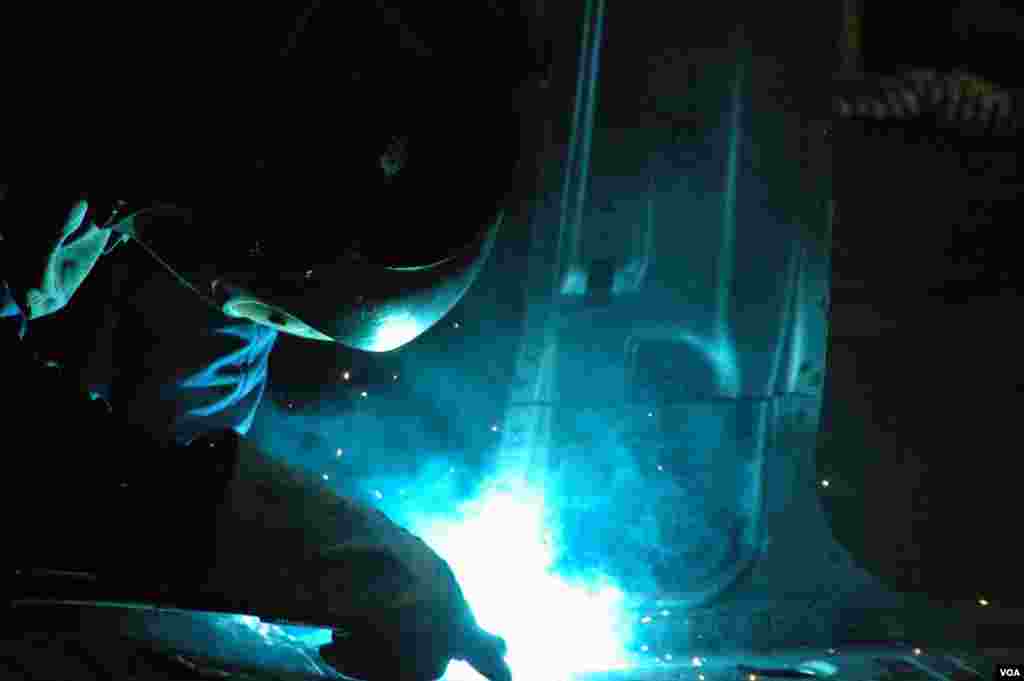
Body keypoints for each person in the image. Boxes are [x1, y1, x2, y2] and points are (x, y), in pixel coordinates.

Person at [1, 4, 542, 680]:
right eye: (281, 314)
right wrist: (342, 558)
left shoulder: (206, 176)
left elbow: (193, 399)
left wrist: (226, 548)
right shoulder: (43, 133)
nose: (265, 315)